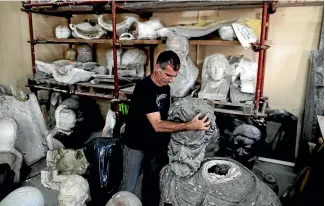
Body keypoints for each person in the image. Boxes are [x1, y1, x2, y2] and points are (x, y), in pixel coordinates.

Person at [120, 50, 211, 206]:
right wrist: (189, 126)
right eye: (168, 75)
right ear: (157, 68)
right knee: (129, 185)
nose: (171, 80)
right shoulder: (145, 88)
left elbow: (165, 116)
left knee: (152, 182)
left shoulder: (165, 88)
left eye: (174, 76)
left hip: (153, 145)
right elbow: (157, 124)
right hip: (136, 144)